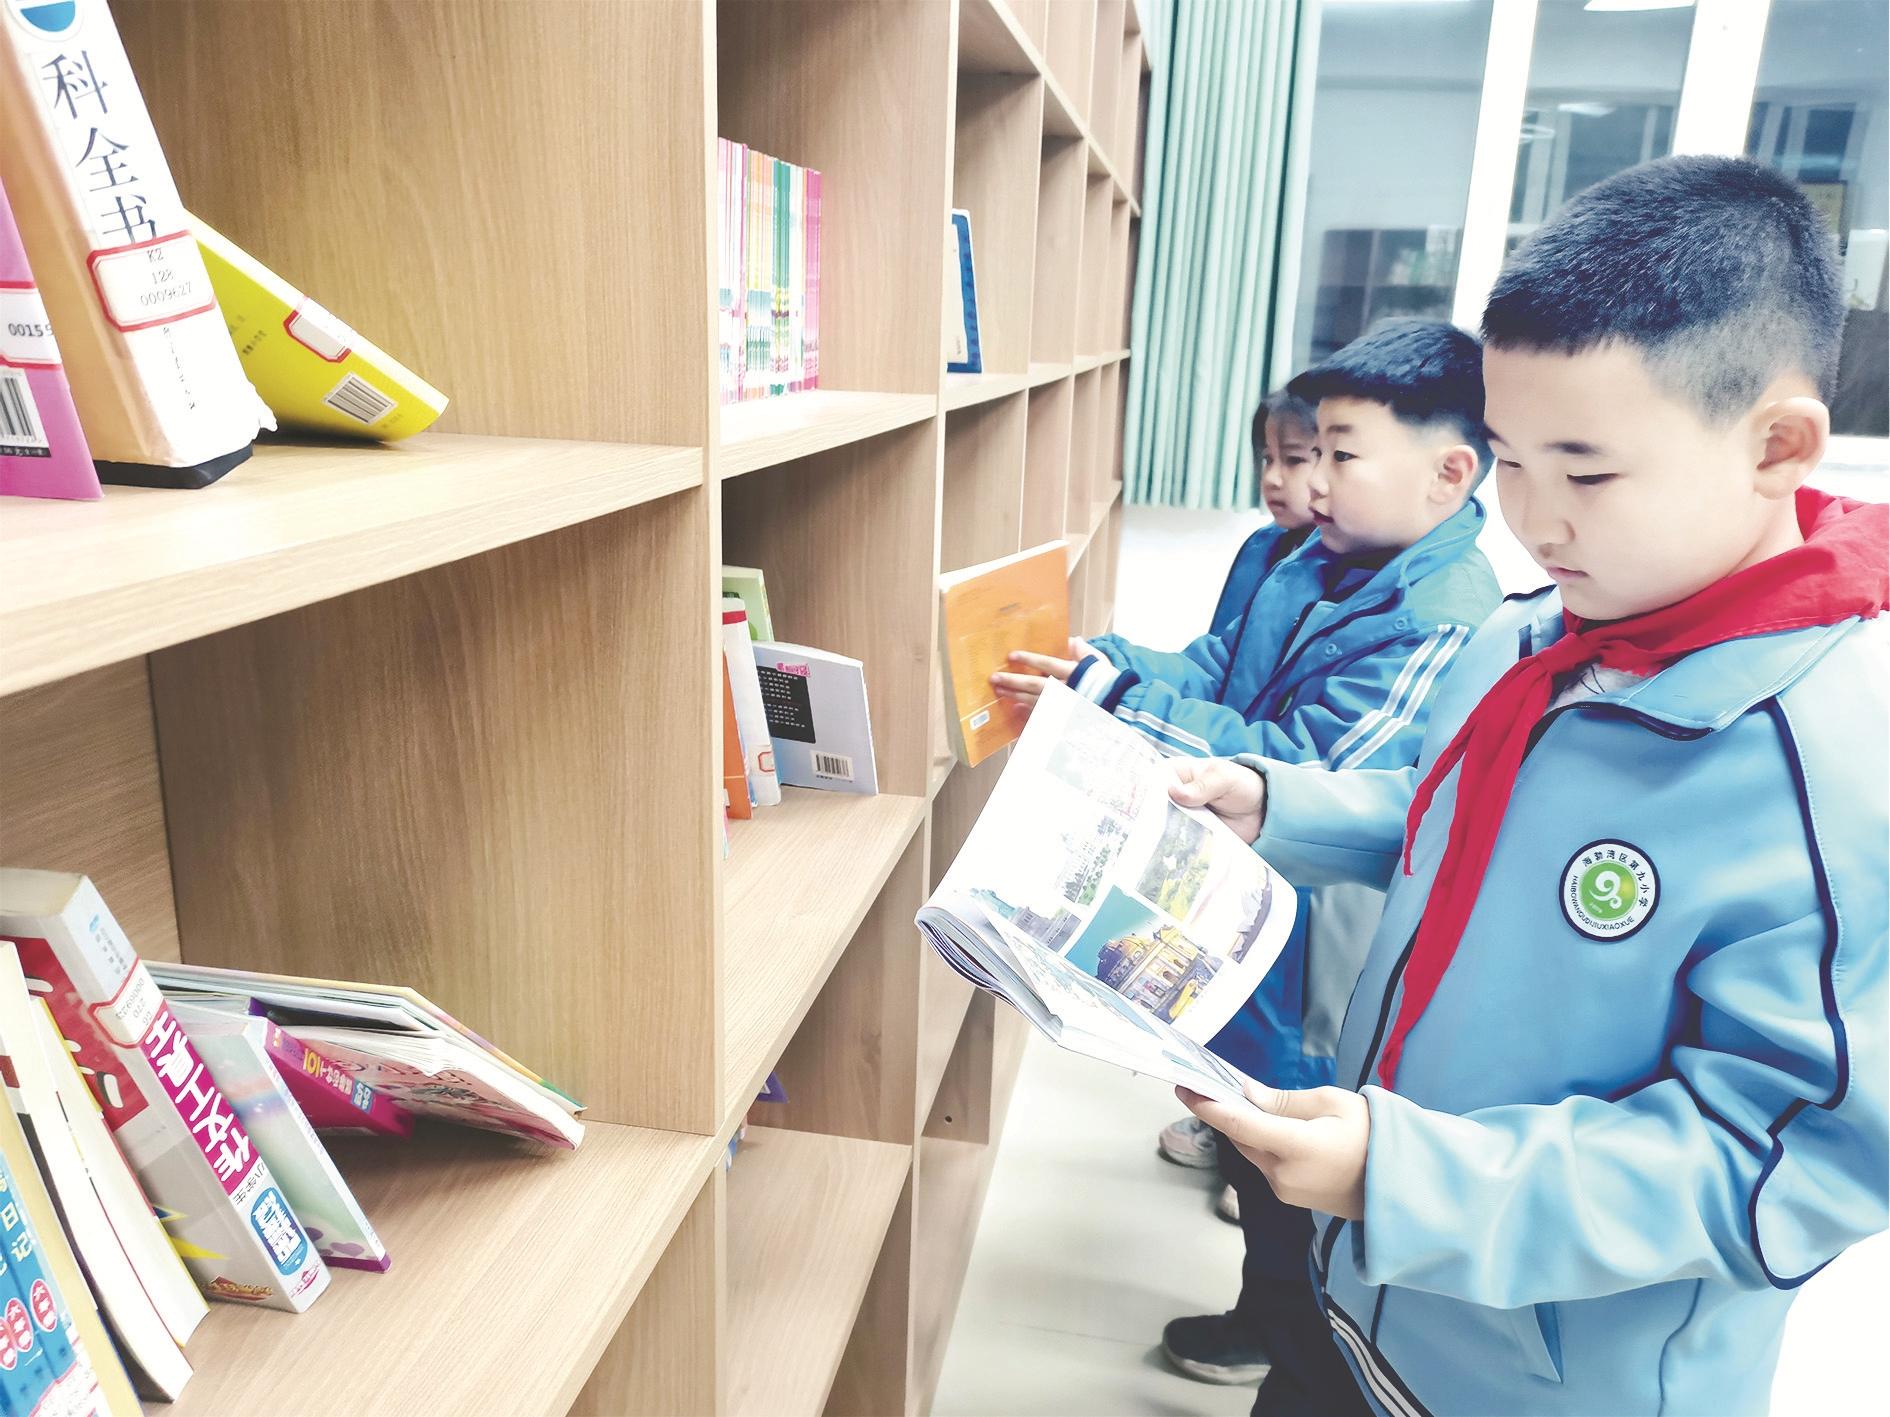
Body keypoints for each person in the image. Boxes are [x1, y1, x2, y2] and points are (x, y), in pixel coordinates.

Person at [1171, 155, 1887, 1417]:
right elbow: (1457, 815)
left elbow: (1784, 1159)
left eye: (1588, 472)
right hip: (1362, 1295)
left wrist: (1409, 1180)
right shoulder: (1533, 635)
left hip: (1540, 1381)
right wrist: (1277, 804)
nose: (1536, 521)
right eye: (1509, 460)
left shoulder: (1830, 766)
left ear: (1776, 446)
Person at [995, 321, 1501, 1404]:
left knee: (1290, 1128)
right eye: (1309, 452)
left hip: (1316, 935)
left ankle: (1283, 1316)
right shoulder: (1317, 560)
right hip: (1243, 897)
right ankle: (1268, 1294)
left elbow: (1311, 764)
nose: (1310, 482)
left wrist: (1122, 704)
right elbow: (1225, 667)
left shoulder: (1444, 614)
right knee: (1234, 1094)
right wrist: (1107, 666)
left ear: (1449, 473)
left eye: (1341, 456)